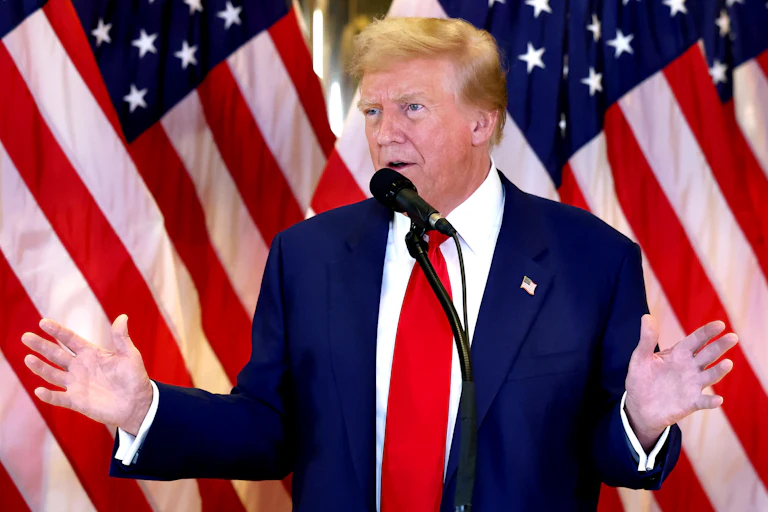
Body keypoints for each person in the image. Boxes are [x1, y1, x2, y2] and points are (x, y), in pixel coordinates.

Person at [21, 17, 737, 511]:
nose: (384, 133)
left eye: (412, 109)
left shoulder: (591, 261)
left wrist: (640, 419)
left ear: (482, 121)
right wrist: (146, 410)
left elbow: (609, 455)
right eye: (371, 112)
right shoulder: (309, 256)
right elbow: (270, 431)